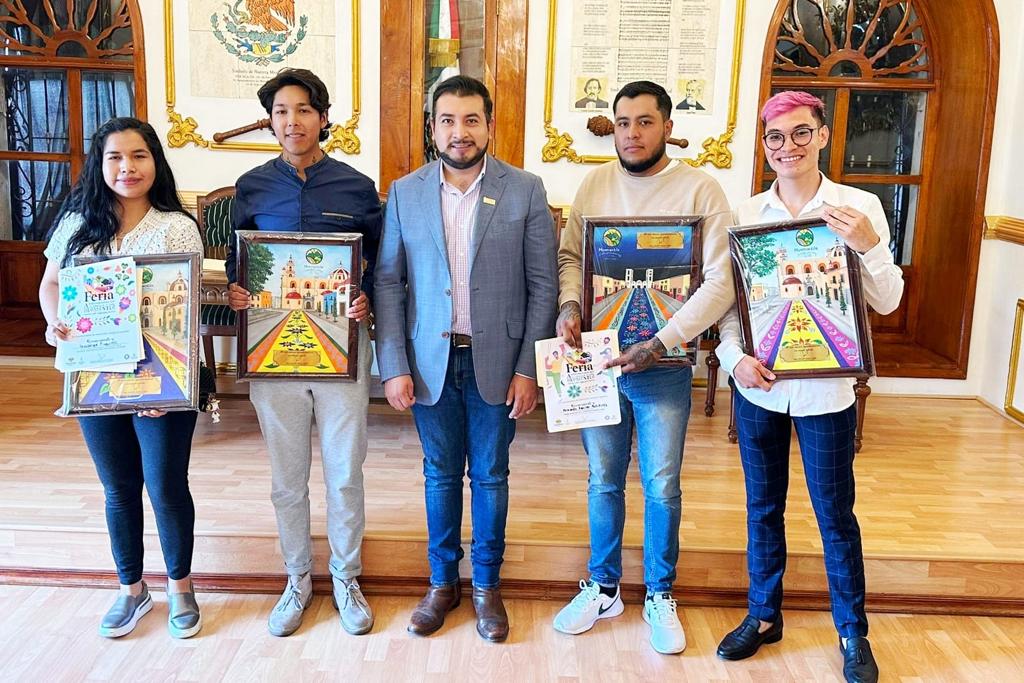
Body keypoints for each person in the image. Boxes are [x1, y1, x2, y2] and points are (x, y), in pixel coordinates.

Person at [714, 91, 903, 683]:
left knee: (835, 514)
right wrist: (733, 359)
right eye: (775, 137)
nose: (788, 146)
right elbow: (730, 306)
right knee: (762, 507)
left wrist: (870, 246)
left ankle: (852, 633)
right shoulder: (746, 214)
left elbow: (888, 302)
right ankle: (763, 615)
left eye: (801, 133)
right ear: (764, 145)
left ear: (822, 135)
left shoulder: (859, 208)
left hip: (827, 394)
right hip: (760, 389)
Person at [552, 80, 734, 655]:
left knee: (661, 484)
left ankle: (659, 591)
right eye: (623, 122)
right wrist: (570, 304)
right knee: (602, 479)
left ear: (667, 127)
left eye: (645, 122)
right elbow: (571, 256)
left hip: (664, 366)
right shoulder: (594, 184)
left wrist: (661, 341)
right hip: (598, 362)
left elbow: (721, 282)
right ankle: (603, 586)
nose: (632, 133)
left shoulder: (701, 190)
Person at [375, 75, 558, 642]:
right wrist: (393, 364)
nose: (460, 132)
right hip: (429, 361)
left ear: (489, 125)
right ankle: (441, 583)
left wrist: (528, 369)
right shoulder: (404, 192)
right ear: (432, 128)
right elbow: (388, 282)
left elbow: (543, 286)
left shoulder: (525, 189)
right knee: (439, 474)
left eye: (471, 120)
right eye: (448, 120)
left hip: (498, 363)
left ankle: (486, 586)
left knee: (491, 475)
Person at [225, 68, 382, 638]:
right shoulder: (250, 186)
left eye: (303, 110)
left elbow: (380, 263)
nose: (292, 121)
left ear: (323, 117)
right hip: (275, 359)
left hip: (343, 352)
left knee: (344, 474)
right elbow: (239, 262)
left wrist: (366, 297)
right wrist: (238, 290)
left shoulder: (357, 187)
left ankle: (346, 576)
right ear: (270, 121)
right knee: (287, 478)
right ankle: (296, 578)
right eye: (281, 112)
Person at [38, 117, 204, 639]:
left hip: (160, 379)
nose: (127, 167)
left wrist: (168, 385)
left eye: (138, 156)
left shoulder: (176, 226)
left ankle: (180, 586)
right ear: (100, 163)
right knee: (118, 488)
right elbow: (50, 284)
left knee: (166, 485)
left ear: (155, 162)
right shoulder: (76, 222)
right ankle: (131, 589)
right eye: (115, 157)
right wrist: (54, 322)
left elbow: (184, 312)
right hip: (93, 377)